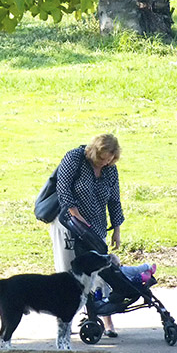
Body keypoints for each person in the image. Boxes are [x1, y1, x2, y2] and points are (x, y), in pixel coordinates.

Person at [50, 134, 124, 336]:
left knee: (102, 269)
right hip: (68, 222)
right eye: (102, 159)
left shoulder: (110, 169)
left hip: (96, 226)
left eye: (109, 160)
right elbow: (63, 189)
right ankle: (65, 321)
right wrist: (76, 215)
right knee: (68, 272)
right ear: (94, 151)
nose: (105, 163)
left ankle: (106, 320)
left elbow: (114, 199)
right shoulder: (74, 158)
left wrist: (116, 228)